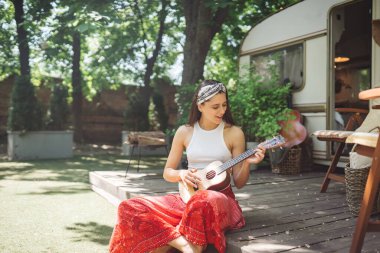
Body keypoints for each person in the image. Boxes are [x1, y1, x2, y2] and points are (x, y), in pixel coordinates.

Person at [109, 80, 266, 253]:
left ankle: (176, 242)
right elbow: (167, 172)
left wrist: (247, 164)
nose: (222, 111)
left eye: (224, 105)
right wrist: (182, 174)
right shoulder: (184, 132)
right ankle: (187, 246)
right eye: (215, 107)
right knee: (129, 206)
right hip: (188, 198)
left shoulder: (234, 133)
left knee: (205, 199)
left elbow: (240, 181)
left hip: (219, 200)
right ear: (200, 106)